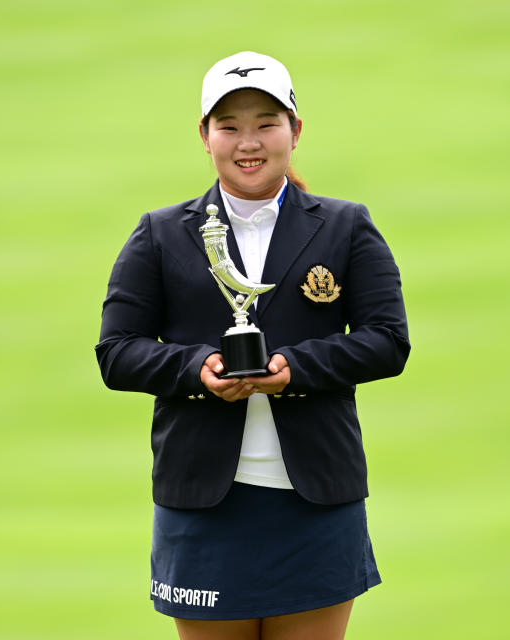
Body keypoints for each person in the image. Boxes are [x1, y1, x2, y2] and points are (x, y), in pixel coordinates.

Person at [96, 51, 410, 640]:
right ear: (204, 136)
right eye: (229, 126)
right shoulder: (161, 234)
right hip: (203, 502)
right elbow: (117, 351)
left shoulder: (345, 226)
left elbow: (388, 341)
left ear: (295, 130)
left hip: (316, 499)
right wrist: (197, 368)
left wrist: (295, 368)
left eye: (267, 123)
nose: (249, 142)